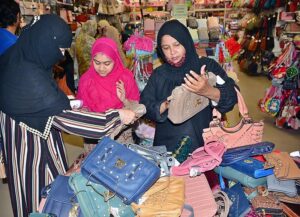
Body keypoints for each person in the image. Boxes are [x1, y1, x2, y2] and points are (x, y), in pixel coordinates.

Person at [0, 14, 136, 217]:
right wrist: (116, 116)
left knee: (25, 196)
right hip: (35, 151)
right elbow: (65, 119)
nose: (61, 56)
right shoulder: (31, 81)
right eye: (60, 50)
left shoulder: (17, 56)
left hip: (15, 143)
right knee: (48, 200)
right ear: (47, 42)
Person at [140, 20, 237, 153]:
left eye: (177, 45)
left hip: (203, 148)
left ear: (186, 42)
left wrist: (208, 91)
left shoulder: (207, 67)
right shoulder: (159, 74)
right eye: (166, 48)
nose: (172, 52)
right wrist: (166, 105)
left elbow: (231, 98)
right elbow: (145, 105)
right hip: (167, 150)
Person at [76, 37, 140, 151]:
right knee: (94, 166)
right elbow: (82, 108)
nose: (101, 68)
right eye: (97, 62)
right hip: (94, 137)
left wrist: (124, 100)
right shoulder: (86, 79)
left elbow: (136, 111)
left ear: (115, 59)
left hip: (120, 136)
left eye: (107, 63)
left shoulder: (125, 77)